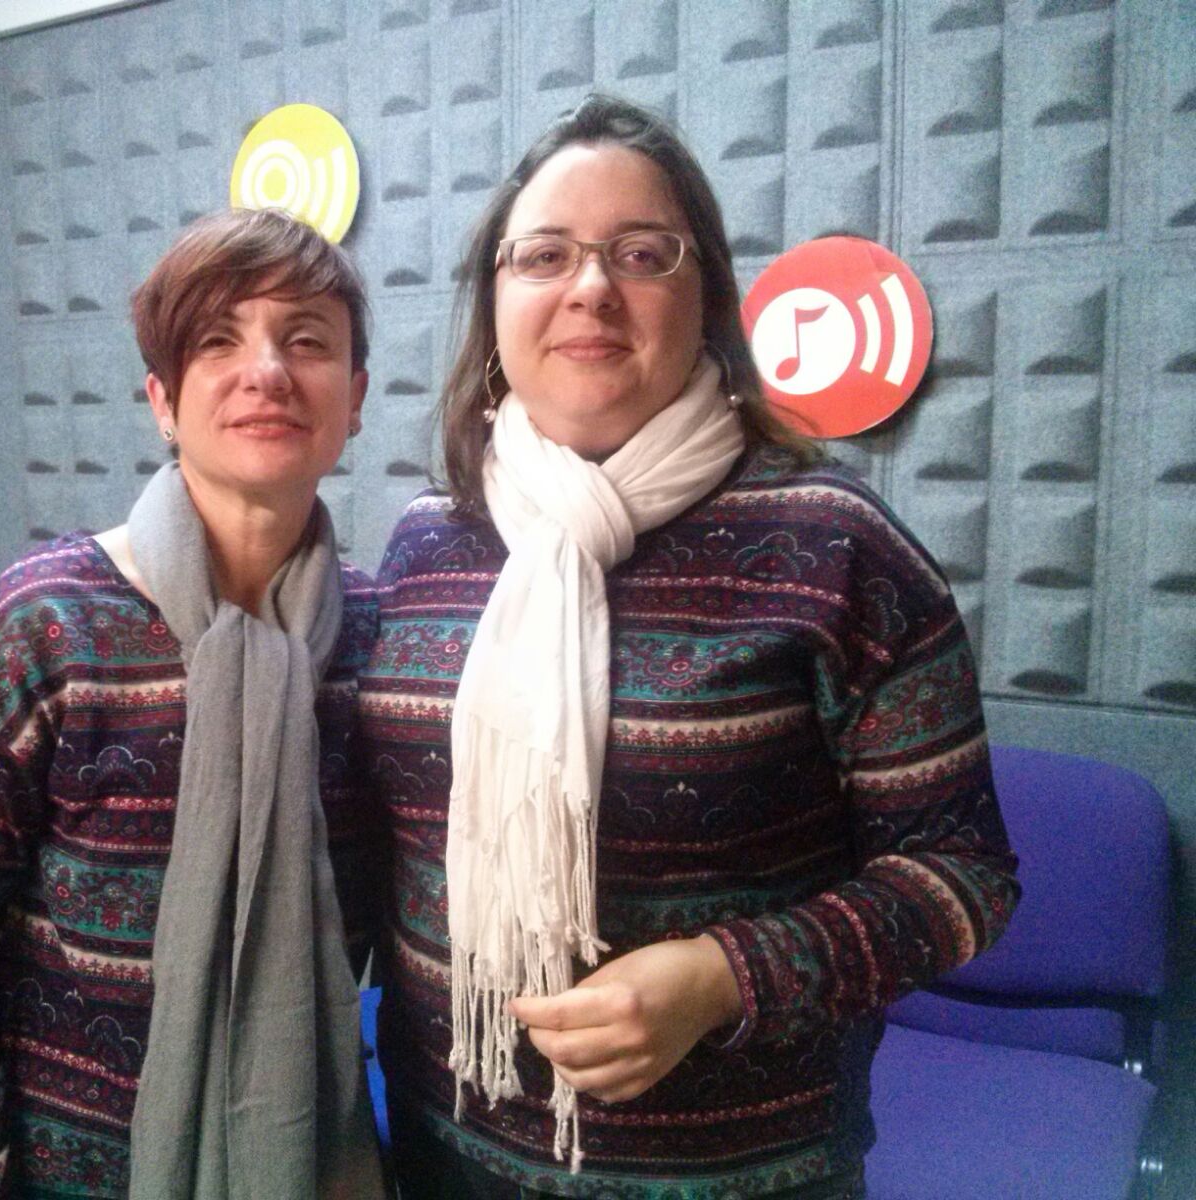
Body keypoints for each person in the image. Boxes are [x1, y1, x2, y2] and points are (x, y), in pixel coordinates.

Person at [357, 93, 1019, 1199]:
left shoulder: (838, 546)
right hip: (445, 1148)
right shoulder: (430, 540)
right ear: (494, 299)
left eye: (641, 253)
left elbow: (965, 875)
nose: (590, 287)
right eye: (545, 255)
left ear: (706, 294)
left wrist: (723, 978)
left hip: (739, 1173)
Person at [0, 207, 387, 1200]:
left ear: (357, 397)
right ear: (162, 399)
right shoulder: (39, 627)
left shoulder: (378, 637)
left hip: (311, 1152)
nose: (267, 371)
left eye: (306, 341)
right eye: (219, 341)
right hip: (69, 1171)